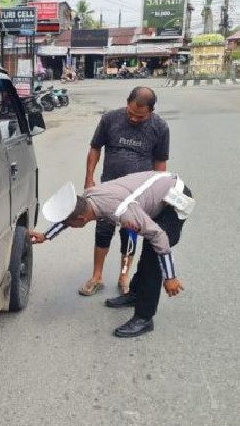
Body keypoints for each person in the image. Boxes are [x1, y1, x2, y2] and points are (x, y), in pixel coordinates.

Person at [29, 171, 194, 338]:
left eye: (70, 224)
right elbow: (69, 215)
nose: (68, 225)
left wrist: (170, 277)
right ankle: (136, 295)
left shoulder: (122, 212)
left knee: (153, 253)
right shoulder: (88, 197)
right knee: (150, 248)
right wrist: (46, 235)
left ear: (81, 220)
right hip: (157, 188)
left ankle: (144, 318)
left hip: (174, 199)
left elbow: (159, 236)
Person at [79, 87, 169, 298]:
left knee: (130, 234)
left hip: (138, 195)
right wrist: (89, 179)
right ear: (127, 102)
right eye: (130, 113)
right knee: (102, 232)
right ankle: (97, 276)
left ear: (151, 111)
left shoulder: (160, 127)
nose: (134, 119)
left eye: (140, 116)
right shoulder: (110, 119)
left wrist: (159, 193)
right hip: (107, 189)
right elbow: (95, 148)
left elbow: (160, 162)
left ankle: (123, 275)